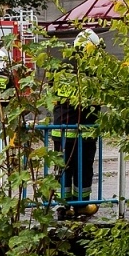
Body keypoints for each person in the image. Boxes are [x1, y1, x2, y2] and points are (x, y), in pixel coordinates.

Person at [52, 29, 102, 217]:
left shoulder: (60, 66)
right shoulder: (93, 68)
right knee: (83, 168)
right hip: (85, 130)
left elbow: (53, 94)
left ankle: (64, 207)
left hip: (61, 129)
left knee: (63, 167)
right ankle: (81, 204)